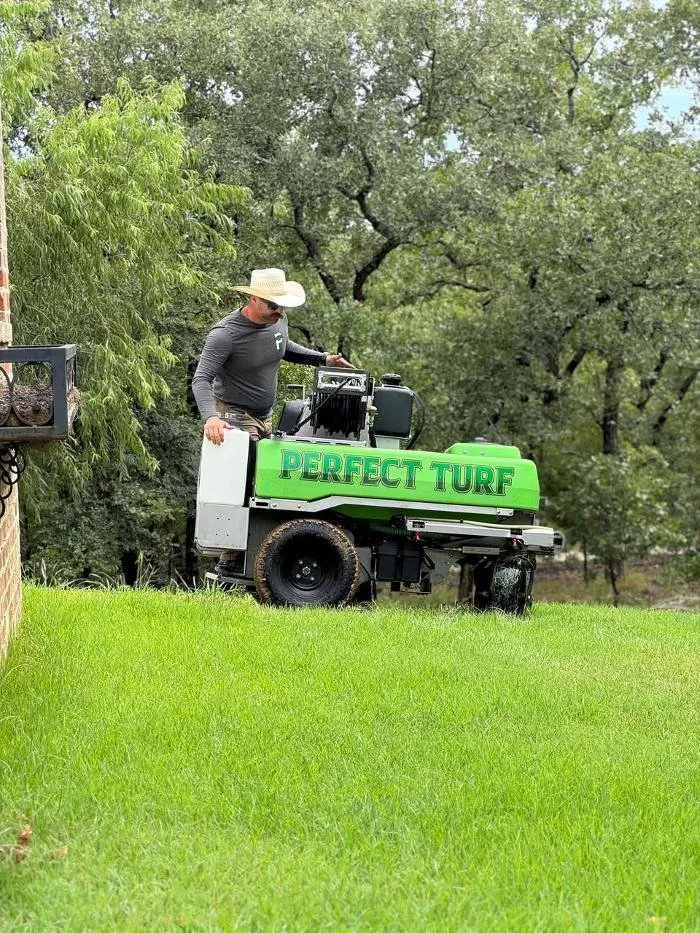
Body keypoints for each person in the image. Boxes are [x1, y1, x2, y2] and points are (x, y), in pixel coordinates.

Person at [191, 266, 352, 574]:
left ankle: (257, 555)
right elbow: (201, 379)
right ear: (253, 298)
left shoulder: (278, 321)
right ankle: (231, 560)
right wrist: (210, 418)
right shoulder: (225, 335)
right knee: (249, 482)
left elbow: (282, 347)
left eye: (283, 305)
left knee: (267, 482)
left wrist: (322, 359)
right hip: (233, 417)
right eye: (273, 305)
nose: (280, 311)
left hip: (264, 417)